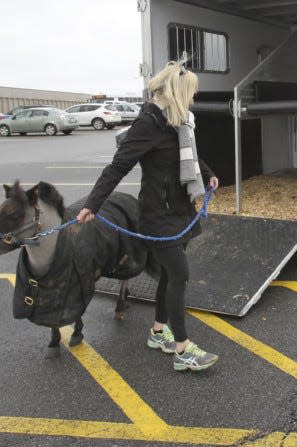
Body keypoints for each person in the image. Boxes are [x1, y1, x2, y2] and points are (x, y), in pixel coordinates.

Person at [76, 59, 220, 372]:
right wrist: (93, 203)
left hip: (179, 210)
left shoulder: (179, 121)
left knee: (169, 274)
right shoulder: (149, 124)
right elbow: (118, 166)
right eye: (192, 92)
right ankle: (182, 349)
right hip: (158, 215)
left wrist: (207, 173)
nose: (194, 98)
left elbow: (191, 153)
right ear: (178, 92)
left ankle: (158, 332)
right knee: (179, 274)